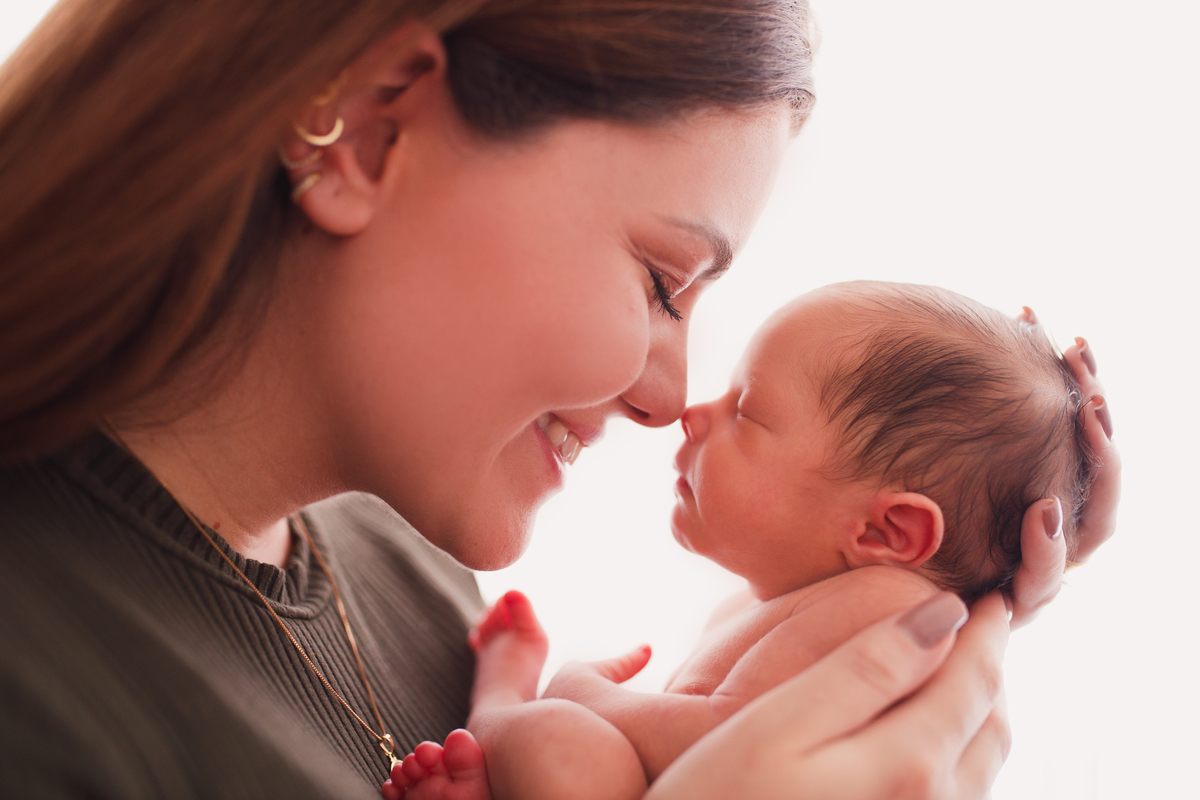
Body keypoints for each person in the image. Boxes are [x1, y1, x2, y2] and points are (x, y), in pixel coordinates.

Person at [0, 1, 1119, 798]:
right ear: (374, 130)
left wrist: (968, 578)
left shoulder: (405, 563)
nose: (667, 396)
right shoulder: (37, 688)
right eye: (658, 280)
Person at [387, 281, 1111, 800]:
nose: (691, 413)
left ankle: (503, 705)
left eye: (748, 410)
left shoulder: (881, 602)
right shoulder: (825, 592)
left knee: (573, 747)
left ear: (887, 531)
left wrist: (582, 692)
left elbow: (721, 738)